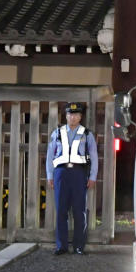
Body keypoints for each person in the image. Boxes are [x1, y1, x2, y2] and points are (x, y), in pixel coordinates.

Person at [46, 102, 98, 256]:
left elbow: (94, 157)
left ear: (80, 116)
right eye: (70, 114)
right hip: (61, 173)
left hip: (78, 173)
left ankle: (78, 246)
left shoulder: (87, 134)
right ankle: (61, 246)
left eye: (76, 114)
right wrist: (50, 175)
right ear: (66, 116)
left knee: (79, 211)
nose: (72, 117)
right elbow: (50, 156)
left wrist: (93, 176)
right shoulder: (57, 133)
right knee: (61, 210)